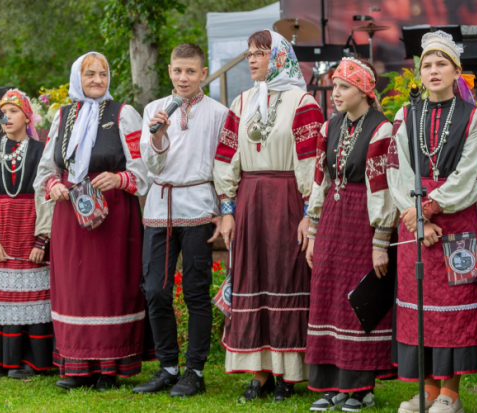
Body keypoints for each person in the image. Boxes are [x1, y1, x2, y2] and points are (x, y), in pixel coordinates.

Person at [213, 29, 324, 403]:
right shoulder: (241, 102)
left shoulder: (303, 101)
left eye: (260, 53)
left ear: (279, 57)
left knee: (286, 275)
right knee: (252, 276)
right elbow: (227, 158)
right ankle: (259, 374)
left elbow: (311, 162)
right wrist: (227, 210)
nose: (251, 60)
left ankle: (288, 375)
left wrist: (310, 213)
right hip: (249, 202)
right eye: (248, 54)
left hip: (287, 200)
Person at [34, 52, 153, 391]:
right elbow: (48, 166)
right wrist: (53, 184)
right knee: (75, 288)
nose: (98, 80)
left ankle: (109, 366)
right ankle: (76, 364)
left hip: (113, 215)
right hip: (71, 213)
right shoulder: (63, 116)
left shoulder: (123, 114)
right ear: (78, 78)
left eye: (103, 74)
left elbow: (142, 168)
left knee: (110, 287)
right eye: (90, 74)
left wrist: (119, 180)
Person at [385, 31, 477, 413]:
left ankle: (451, 393)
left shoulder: (473, 117)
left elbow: (470, 174)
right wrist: (416, 218)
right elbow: (397, 169)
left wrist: (430, 209)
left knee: (454, 302)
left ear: (457, 70)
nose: (433, 70)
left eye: (441, 63)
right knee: (419, 302)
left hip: (454, 219)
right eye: (426, 64)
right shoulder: (406, 113)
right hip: (413, 219)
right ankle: (427, 390)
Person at [303, 57, 396, 412]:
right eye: (334, 86)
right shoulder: (330, 127)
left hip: (362, 219)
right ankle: (331, 384)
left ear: (364, 90)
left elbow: (382, 190)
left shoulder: (381, 129)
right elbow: (319, 180)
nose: (335, 93)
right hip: (331, 218)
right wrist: (312, 231)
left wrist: (380, 243)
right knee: (327, 294)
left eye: (343, 86)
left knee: (356, 299)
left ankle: (360, 388)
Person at [133, 43, 227, 397]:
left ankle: (195, 370)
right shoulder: (154, 109)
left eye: (190, 71)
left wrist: (224, 208)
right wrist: (158, 134)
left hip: (199, 205)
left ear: (203, 73)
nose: (183, 77)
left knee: (195, 291)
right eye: (177, 71)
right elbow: (152, 164)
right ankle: (168, 366)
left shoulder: (218, 113)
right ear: (169, 71)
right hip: (160, 205)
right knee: (155, 289)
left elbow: (223, 165)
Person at [0, 89, 55, 379]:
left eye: (14, 111)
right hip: (2, 229)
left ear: (27, 116)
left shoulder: (41, 150)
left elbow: (47, 196)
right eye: (4, 111)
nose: (7, 116)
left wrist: (42, 239)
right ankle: (0, 361)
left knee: (31, 296)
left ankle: (31, 361)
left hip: (29, 227)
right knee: (2, 297)